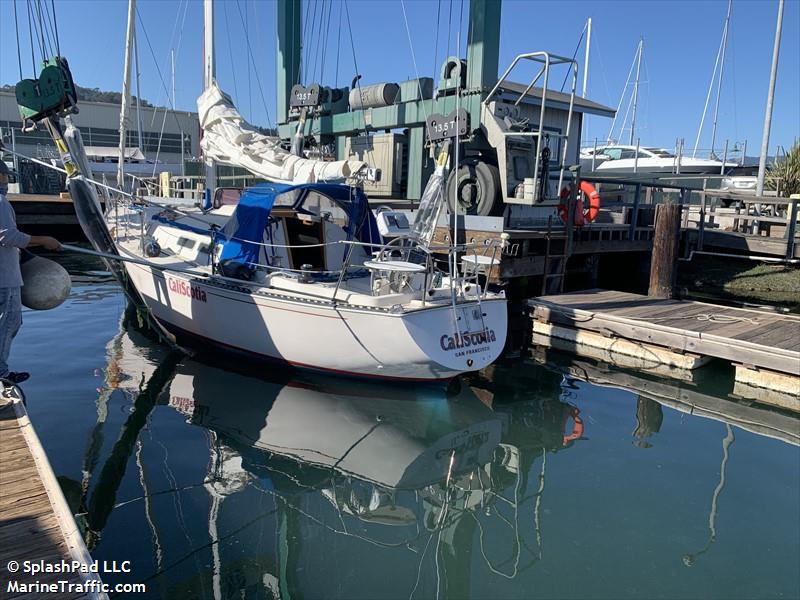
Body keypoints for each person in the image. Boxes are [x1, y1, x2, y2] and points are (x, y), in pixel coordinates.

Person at [0, 159, 62, 384]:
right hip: (4, 280)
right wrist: (44, 240)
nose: (6, 182)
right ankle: (1, 374)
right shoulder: (0, 202)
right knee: (8, 323)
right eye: (4, 177)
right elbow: (7, 236)